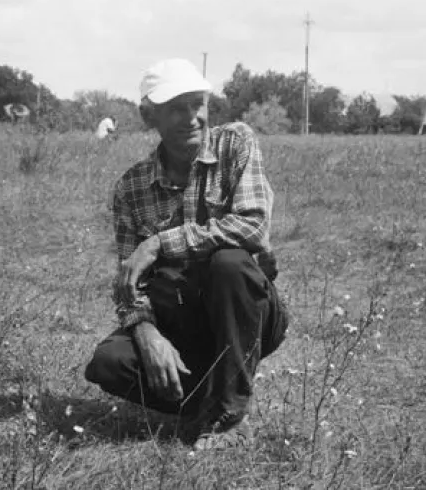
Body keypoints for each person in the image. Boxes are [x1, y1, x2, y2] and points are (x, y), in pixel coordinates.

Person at [84, 58, 288, 451]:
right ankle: (214, 401)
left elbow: (253, 227)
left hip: (247, 311)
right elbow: (131, 284)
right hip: (181, 319)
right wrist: (146, 334)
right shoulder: (131, 187)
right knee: (109, 362)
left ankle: (228, 416)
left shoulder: (235, 143)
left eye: (198, 103)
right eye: (177, 108)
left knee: (229, 263)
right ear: (149, 116)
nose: (192, 117)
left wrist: (161, 242)